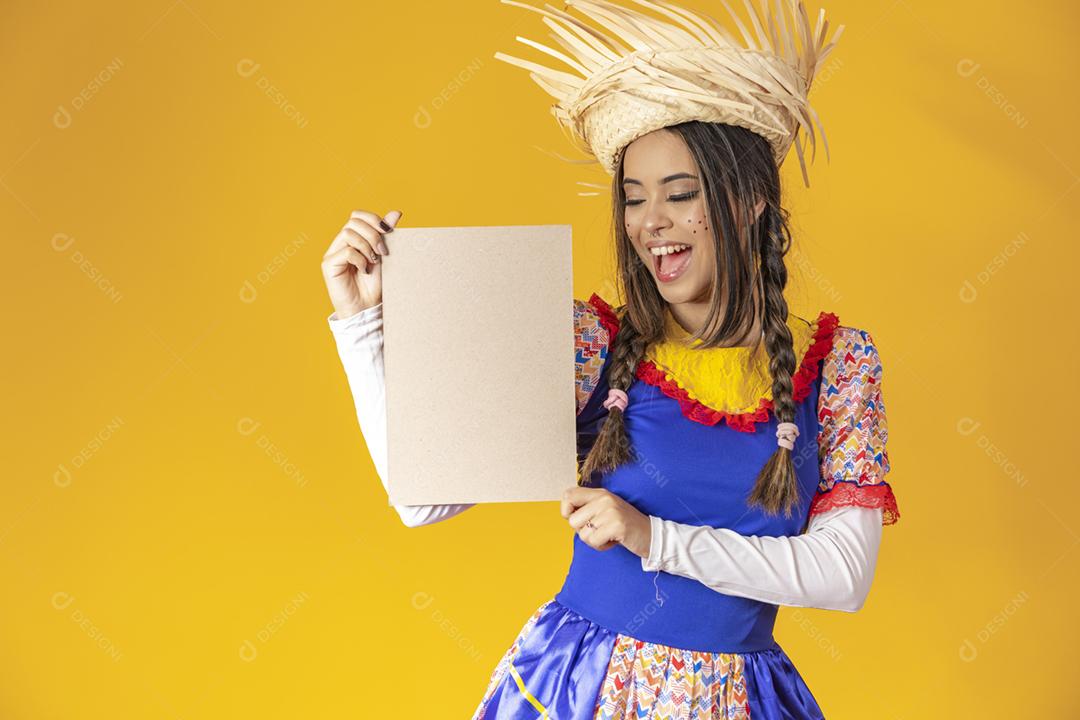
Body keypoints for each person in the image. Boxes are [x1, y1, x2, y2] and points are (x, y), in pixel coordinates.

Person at [320, 0, 900, 716]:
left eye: (680, 194)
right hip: (580, 690)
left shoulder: (838, 369)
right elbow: (422, 498)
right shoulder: (598, 348)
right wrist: (363, 323)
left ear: (750, 200)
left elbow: (843, 575)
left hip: (738, 699)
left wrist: (653, 537)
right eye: (632, 199)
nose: (650, 222)